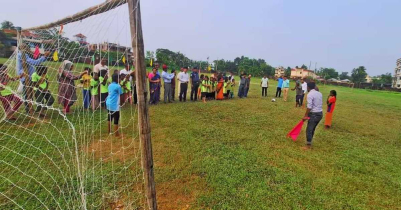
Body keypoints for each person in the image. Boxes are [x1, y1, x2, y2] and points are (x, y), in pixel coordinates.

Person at [17, 43, 48, 114]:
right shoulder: (21, 55)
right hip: (26, 78)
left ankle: (30, 108)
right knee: (27, 94)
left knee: (30, 93)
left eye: (26, 47)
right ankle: (28, 110)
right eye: (24, 47)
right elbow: (34, 62)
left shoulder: (25, 54)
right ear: (21, 48)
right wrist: (44, 57)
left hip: (30, 77)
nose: (26, 48)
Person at [302, 82, 323, 149]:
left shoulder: (310, 94)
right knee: (312, 129)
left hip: (314, 114)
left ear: (308, 87)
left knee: (309, 129)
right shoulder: (319, 93)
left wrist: (305, 115)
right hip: (320, 114)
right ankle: (309, 142)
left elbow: (309, 107)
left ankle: (308, 146)